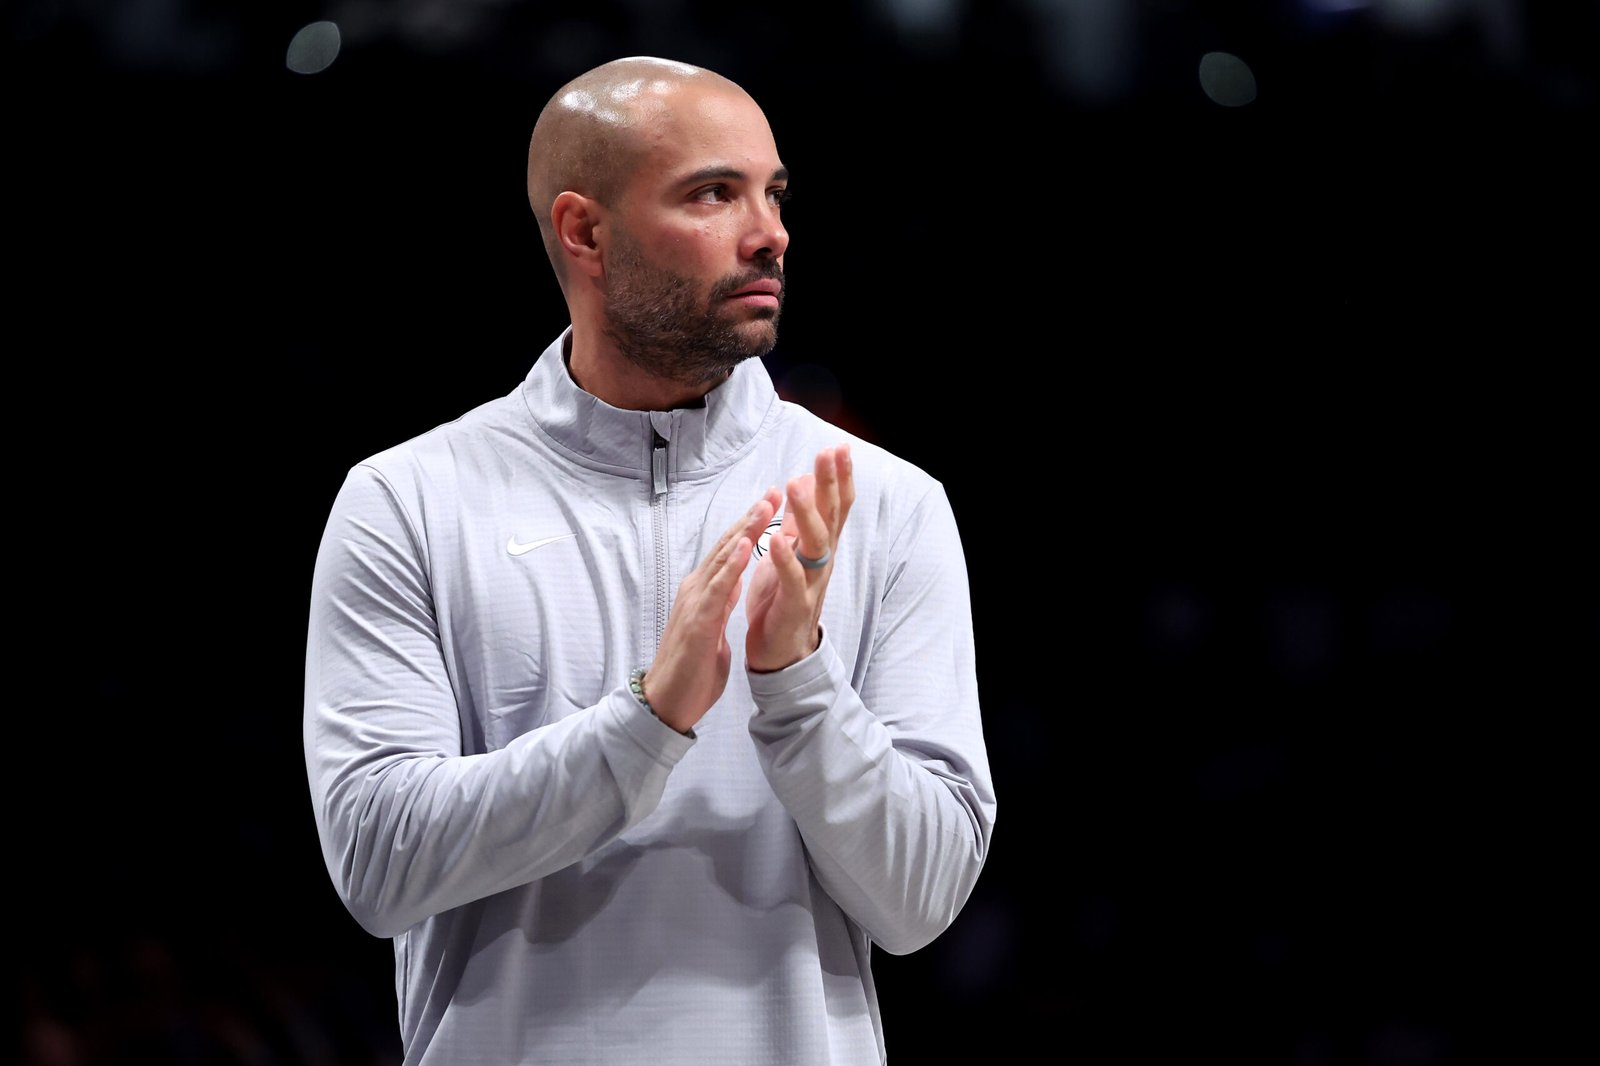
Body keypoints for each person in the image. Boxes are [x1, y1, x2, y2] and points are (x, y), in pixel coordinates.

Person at [302, 55, 996, 1065]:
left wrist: (797, 690)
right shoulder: (408, 501)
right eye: (714, 193)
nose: (771, 233)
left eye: (773, 192)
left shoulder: (886, 505)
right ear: (584, 231)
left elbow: (921, 900)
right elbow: (377, 863)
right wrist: (646, 720)